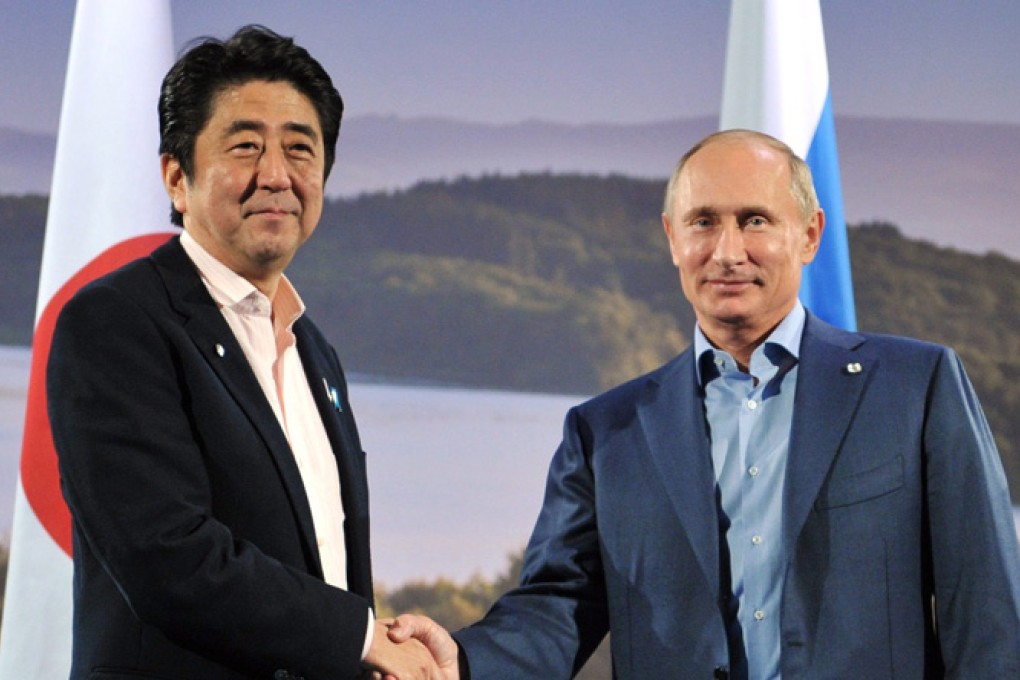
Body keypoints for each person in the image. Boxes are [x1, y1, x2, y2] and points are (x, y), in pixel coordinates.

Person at [388, 129, 1020, 678]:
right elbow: (558, 606)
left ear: (808, 234)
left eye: (754, 220)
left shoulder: (915, 385)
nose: (727, 251)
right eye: (703, 222)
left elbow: (986, 608)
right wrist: (461, 662)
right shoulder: (605, 432)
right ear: (671, 238)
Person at [47, 25, 442, 680]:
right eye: (245, 147)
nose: (277, 175)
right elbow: (166, 555)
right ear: (177, 178)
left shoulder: (314, 349)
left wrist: (371, 650)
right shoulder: (115, 322)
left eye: (300, 149)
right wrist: (361, 638)